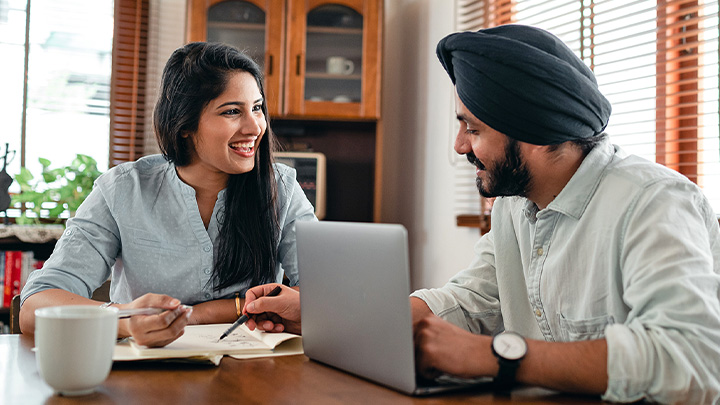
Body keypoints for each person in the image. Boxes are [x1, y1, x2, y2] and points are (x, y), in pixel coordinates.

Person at [242, 25, 720, 403]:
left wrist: (499, 357)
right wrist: (326, 315)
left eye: (472, 128)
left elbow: (692, 361)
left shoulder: (654, 202)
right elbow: (469, 301)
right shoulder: (516, 204)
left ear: (532, 131)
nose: (459, 146)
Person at [19, 42, 316, 347]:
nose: (255, 126)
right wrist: (124, 319)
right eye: (231, 111)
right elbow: (34, 309)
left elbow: (326, 297)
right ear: (185, 124)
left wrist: (202, 314)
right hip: (145, 379)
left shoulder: (282, 188)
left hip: (256, 377)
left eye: (257, 108)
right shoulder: (123, 189)